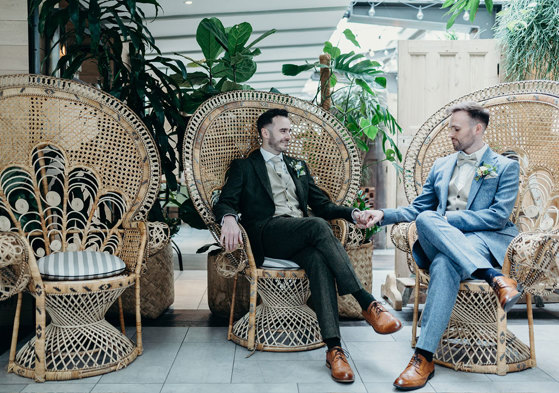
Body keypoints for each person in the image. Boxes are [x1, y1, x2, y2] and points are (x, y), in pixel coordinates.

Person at [214, 108, 402, 384]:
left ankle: (334, 349)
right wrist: (229, 218)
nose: (290, 136)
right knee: (317, 226)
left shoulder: (298, 165)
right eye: (284, 131)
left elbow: (322, 204)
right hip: (267, 233)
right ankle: (365, 300)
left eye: (290, 130)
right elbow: (225, 200)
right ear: (265, 133)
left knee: (317, 258)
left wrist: (353, 214)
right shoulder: (245, 166)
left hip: (300, 235)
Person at [368, 102, 521, 390]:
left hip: (481, 242)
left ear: (478, 129)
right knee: (427, 217)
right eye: (450, 127)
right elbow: (419, 210)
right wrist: (383, 215)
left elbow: (498, 216)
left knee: (444, 264)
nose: (450, 133)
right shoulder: (441, 165)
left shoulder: (505, 167)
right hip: (439, 238)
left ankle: (423, 358)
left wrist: (447, 219)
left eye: (456, 128)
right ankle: (494, 277)